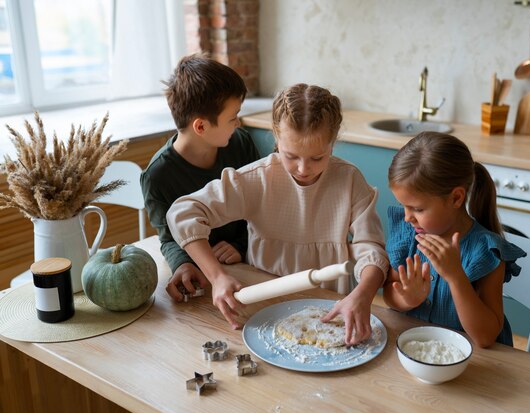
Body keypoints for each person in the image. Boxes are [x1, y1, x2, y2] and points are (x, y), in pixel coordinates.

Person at [166, 83, 389, 345]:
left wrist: (362, 295)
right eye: (291, 155)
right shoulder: (258, 178)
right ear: (275, 136)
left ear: (333, 141)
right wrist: (216, 276)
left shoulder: (349, 180)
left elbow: (370, 248)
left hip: (327, 309)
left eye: (317, 157)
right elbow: (183, 212)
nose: (304, 168)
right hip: (263, 307)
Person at [383, 132, 525, 348]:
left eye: (418, 209)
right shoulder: (408, 236)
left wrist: (456, 276)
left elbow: (485, 337)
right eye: (404, 206)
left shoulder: (486, 251)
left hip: (473, 364)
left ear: (456, 198)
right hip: (416, 350)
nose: (407, 216)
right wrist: (407, 300)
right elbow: (389, 292)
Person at [141, 53, 260, 302]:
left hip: (249, 266)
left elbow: (260, 209)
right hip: (206, 276)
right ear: (201, 127)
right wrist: (182, 265)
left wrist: (240, 245)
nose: (238, 123)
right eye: (232, 117)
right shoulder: (157, 176)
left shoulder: (241, 144)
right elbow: (168, 237)